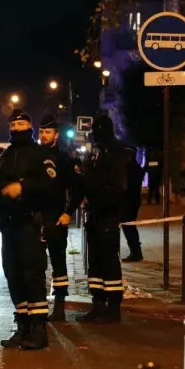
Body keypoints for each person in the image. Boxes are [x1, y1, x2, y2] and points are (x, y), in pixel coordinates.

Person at [0, 110, 60, 350]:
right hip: (9, 226)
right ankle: (23, 326)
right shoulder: (4, 157)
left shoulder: (40, 155)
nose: (17, 128)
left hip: (31, 224)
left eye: (22, 124)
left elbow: (51, 187)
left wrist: (23, 188)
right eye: (14, 124)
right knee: (14, 275)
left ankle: (39, 328)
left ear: (29, 125)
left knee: (32, 274)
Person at [78, 114, 129, 323]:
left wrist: (97, 201)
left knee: (109, 260)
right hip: (94, 215)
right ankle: (97, 303)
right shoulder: (96, 150)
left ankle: (113, 307)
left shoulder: (115, 151)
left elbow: (117, 187)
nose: (93, 133)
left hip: (107, 214)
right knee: (95, 262)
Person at [37, 114, 81, 322]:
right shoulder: (33, 157)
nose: (44, 136)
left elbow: (78, 189)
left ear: (56, 135)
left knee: (58, 263)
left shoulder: (63, 159)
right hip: (35, 219)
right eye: (42, 132)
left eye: (48, 132)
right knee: (36, 263)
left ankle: (60, 306)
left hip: (55, 218)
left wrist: (67, 213)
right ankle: (38, 306)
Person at [121, 147, 146, 263]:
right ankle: (135, 251)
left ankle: (136, 252)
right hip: (130, 201)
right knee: (129, 227)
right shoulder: (133, 167)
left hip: (129, 202)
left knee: (129, 227)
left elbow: (128, 187)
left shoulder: (132, 168)